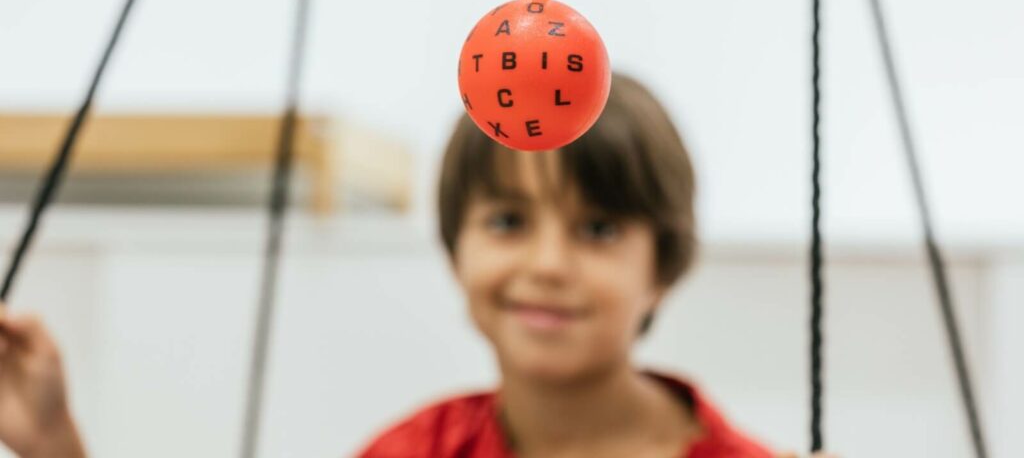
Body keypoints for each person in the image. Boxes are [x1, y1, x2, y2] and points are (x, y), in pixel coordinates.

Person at [0, 73, 831, 457]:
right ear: (454, 243)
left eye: (599, 229)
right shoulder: (418, 451)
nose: (546, 264)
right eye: (508, 220)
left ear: (665, 265)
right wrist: (54, 450)